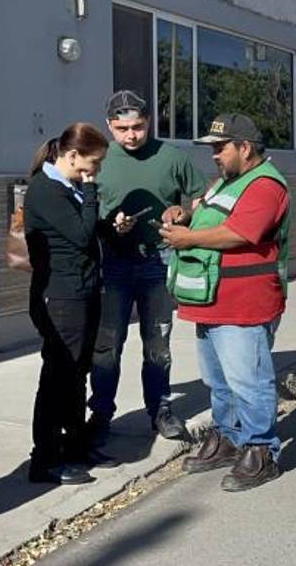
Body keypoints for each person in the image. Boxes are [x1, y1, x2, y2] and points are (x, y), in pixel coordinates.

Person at [159, 114, 290, 492]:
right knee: (219, 383)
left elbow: (238, 233)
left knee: (248, 381)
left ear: (244, 148)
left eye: (220, 148)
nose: (214, 155)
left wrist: (188, 239)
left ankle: (261, 449)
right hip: (213, 300)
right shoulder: (228, 183)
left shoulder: (265, 185)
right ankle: (229, 438)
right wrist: (184, 215)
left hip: (245, 303)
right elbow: (209, 214)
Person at [88, 91, 207, 444]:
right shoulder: (100, 159)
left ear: (149, 122)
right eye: (122, 128)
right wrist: (110, 225)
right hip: (113, 262)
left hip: (159, 261)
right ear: (109, 125)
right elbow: (83, 208)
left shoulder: (171, 156)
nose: (131, 135)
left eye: (138, 126)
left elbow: (202, 197)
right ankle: (101, 413)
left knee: (158, 342)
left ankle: (161, 410)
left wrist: (184, 214)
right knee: (107, 344)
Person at [23, 123, 124, 484]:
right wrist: (93, 189)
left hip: (81, 292)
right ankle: (45, 460)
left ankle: (76, 448)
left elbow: (87, 228)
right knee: (57, 378)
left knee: (75, 375)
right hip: (61, 297)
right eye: (93, 163)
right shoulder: (46, 190)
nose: (95, 171)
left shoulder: (68, 188)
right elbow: (80, 236)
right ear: (72, 156)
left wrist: (111, 226)